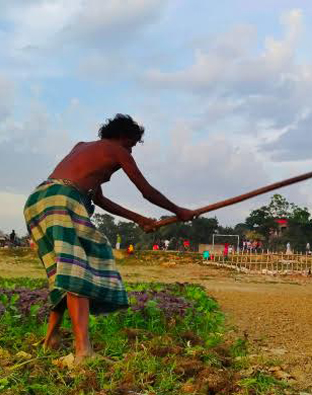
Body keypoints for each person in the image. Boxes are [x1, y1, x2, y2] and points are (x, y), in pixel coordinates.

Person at [23, 114, 195, 364]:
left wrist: (138, 219)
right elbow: (147, 192)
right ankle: (83, 352)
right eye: (132, 145)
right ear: (125, 138)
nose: (131, 150)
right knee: (79, 269)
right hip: (63, 200)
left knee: (63, 271)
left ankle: (51, 339)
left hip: (39, 200)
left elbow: (100, 199)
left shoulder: (82, 147)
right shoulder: (118, 150)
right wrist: (180, 211)